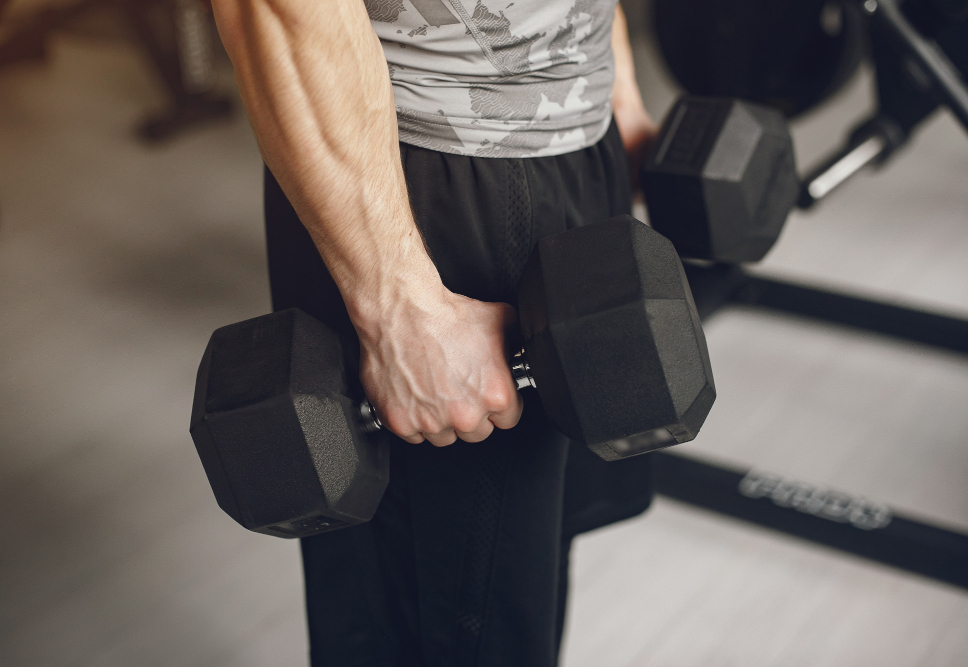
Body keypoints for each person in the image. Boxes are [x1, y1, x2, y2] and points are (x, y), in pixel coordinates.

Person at [210, 1, 658, 664]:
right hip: (411, 182)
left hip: (577, 138)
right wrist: (398, 308)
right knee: (435, 613)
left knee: (517, 580)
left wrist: (616, 96)